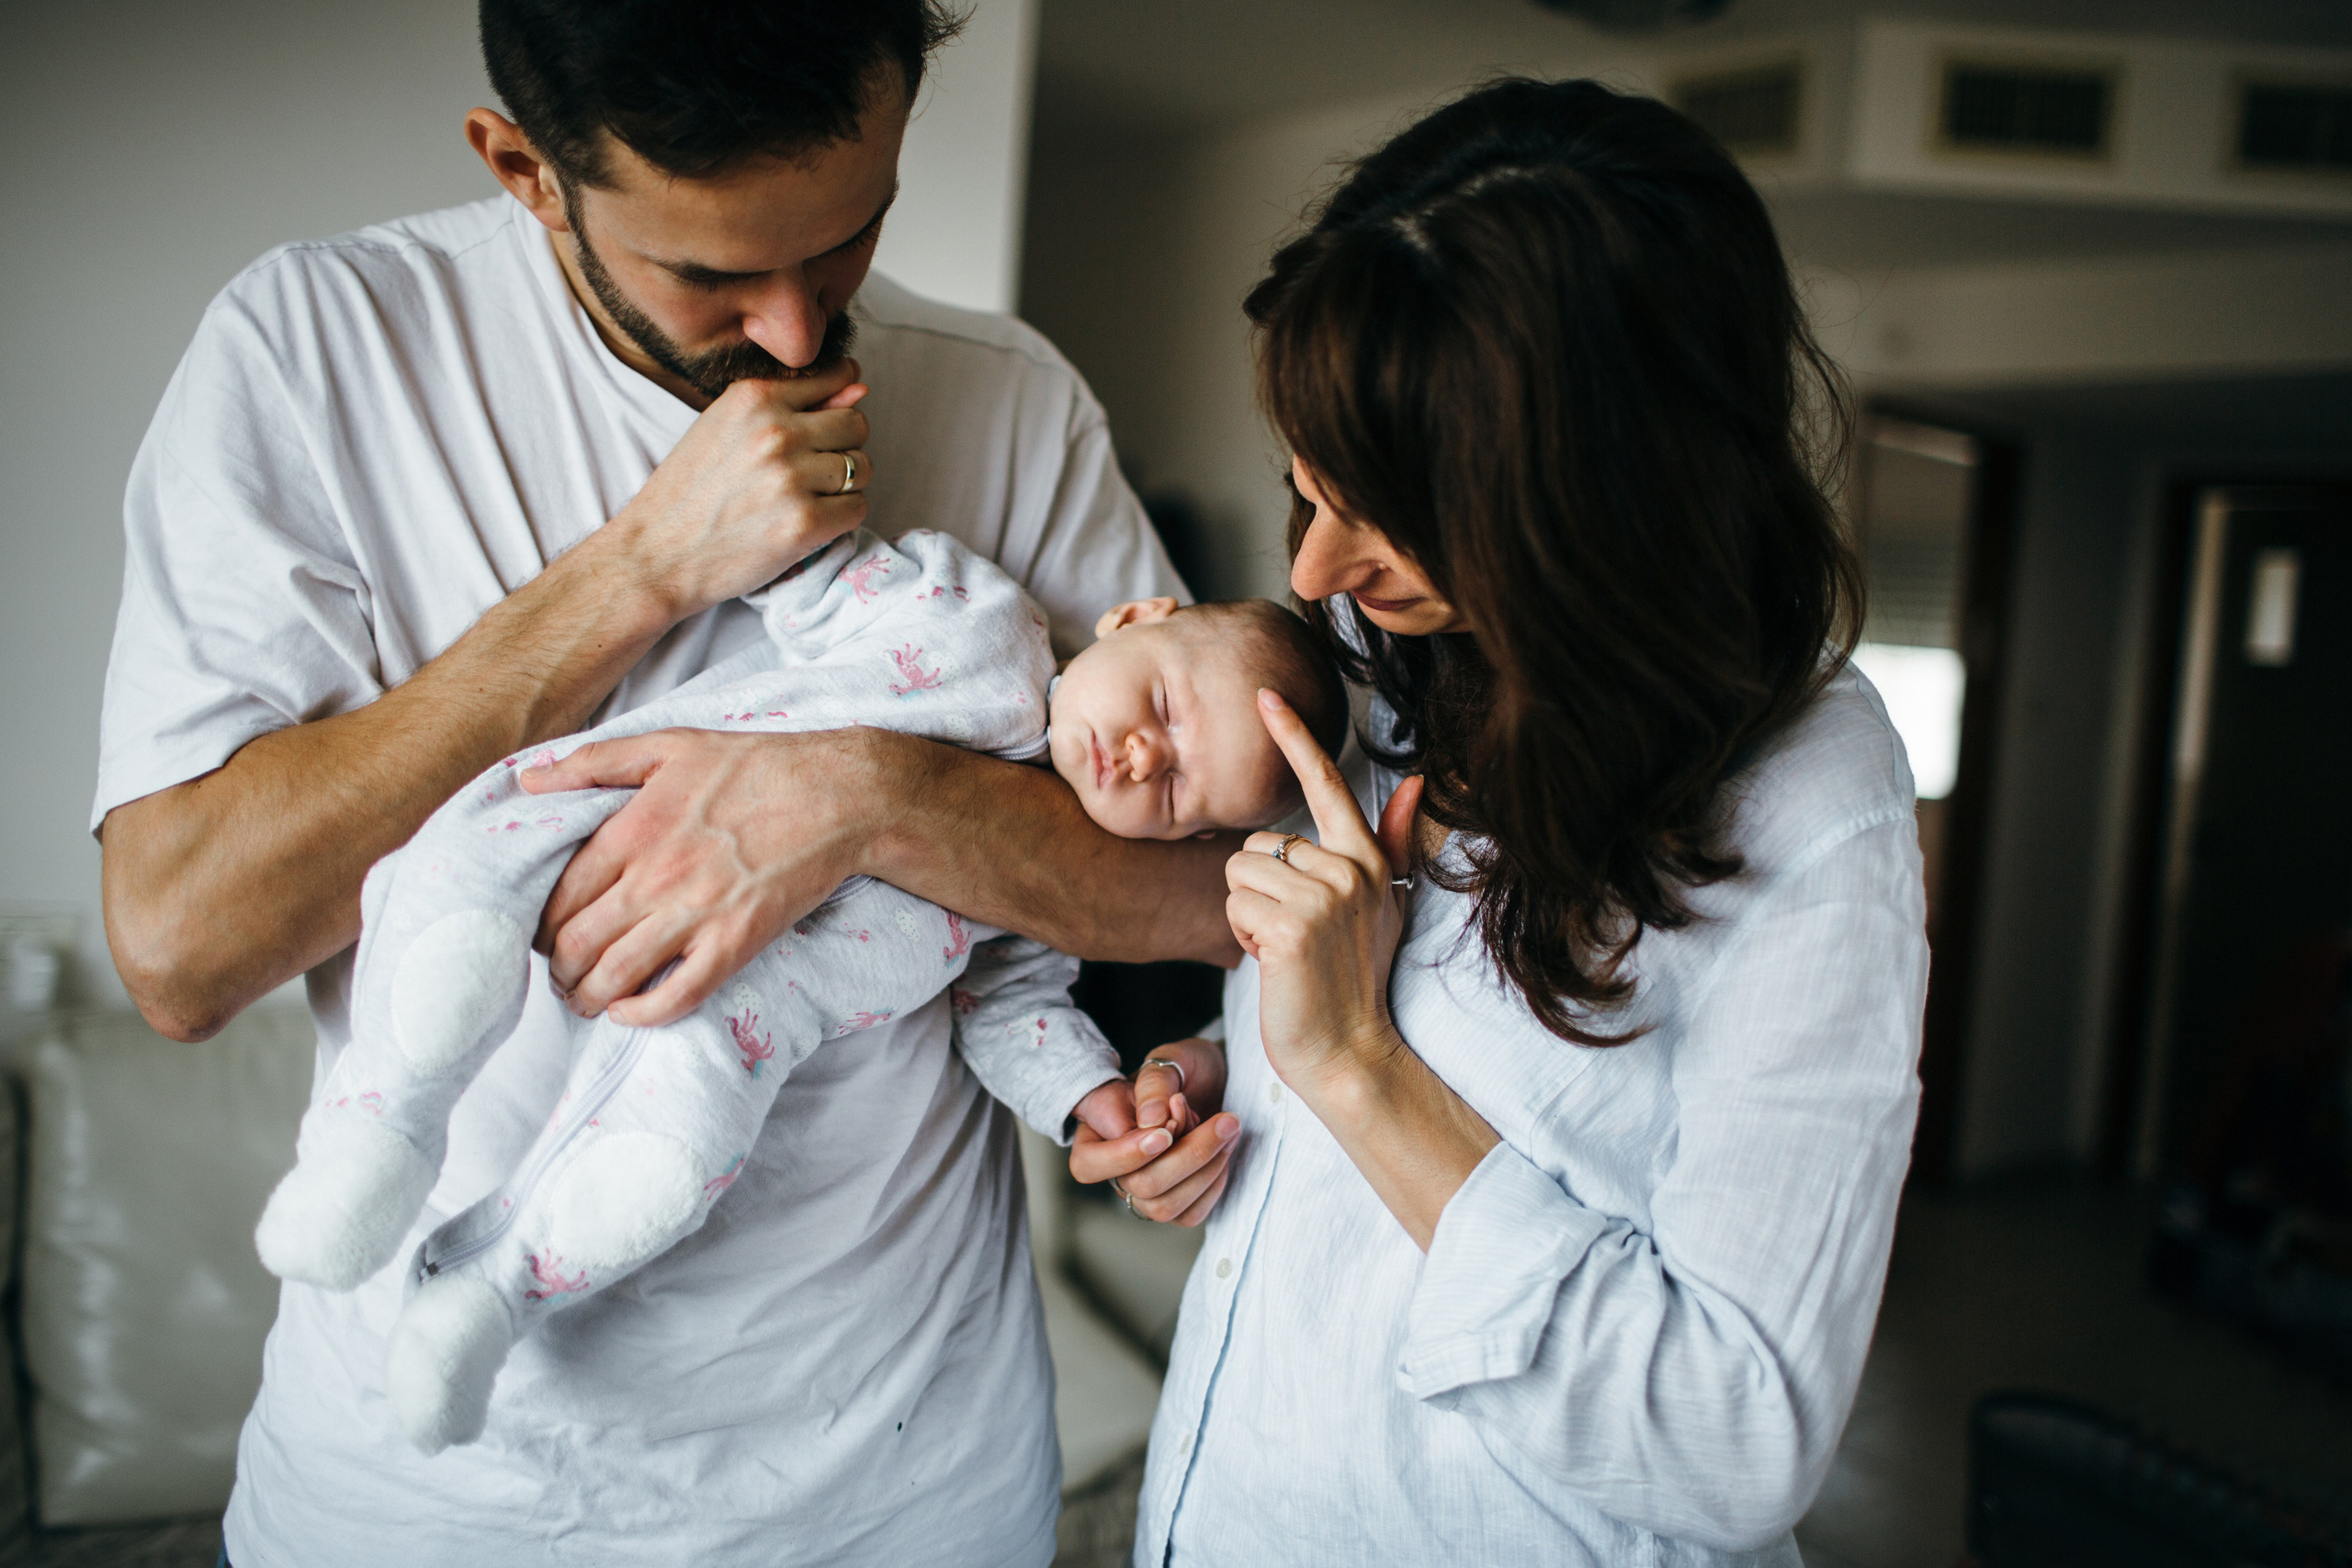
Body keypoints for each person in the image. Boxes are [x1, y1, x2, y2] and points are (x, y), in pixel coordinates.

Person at [94, 3, 1234, 1563]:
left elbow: (1210, 891)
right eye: (708, 273)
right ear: (524, 169)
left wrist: (866, 798)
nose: (791, 329)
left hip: (910, 1486)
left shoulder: (1012, 396)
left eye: (848, 240)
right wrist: (636, 571)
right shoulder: (318, 352)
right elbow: (178, 947)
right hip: (432, 1498)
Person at [1074, 78, 1929, 1563]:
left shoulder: (1811, 789)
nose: (1322, 572)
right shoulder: (1377, 667)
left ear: (1595, 500)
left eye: (1394, 515)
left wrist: (1354, 1067)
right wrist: (1228, 1088)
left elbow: (1735, 1436)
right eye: (1305, 486)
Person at [252, 523, 1341, 1458]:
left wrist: (1087, 1100)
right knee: (459, 896)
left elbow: (1016, 1012)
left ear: (1193, 837)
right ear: (1133, 619)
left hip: (731, 1024)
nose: (1144, 753)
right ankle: (376, 1132)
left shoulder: (1043, 887)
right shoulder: (972, 620)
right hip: (613, 805)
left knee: (665, 1165)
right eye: (1161, 702)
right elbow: (801, 561)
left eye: (1183, 785)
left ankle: (490, 1295)